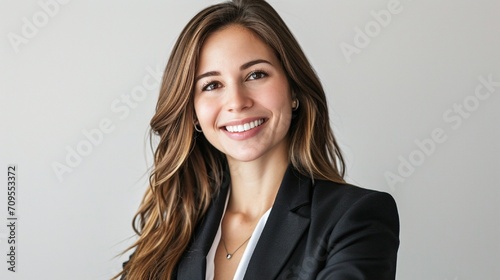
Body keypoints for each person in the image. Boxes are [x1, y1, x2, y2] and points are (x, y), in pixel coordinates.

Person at [117, 0, 399, 279]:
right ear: (192, 112)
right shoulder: (167, 236)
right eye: (212, 85)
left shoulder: (356, 218)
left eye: (255, 74)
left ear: (294, 90)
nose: (237, 102)